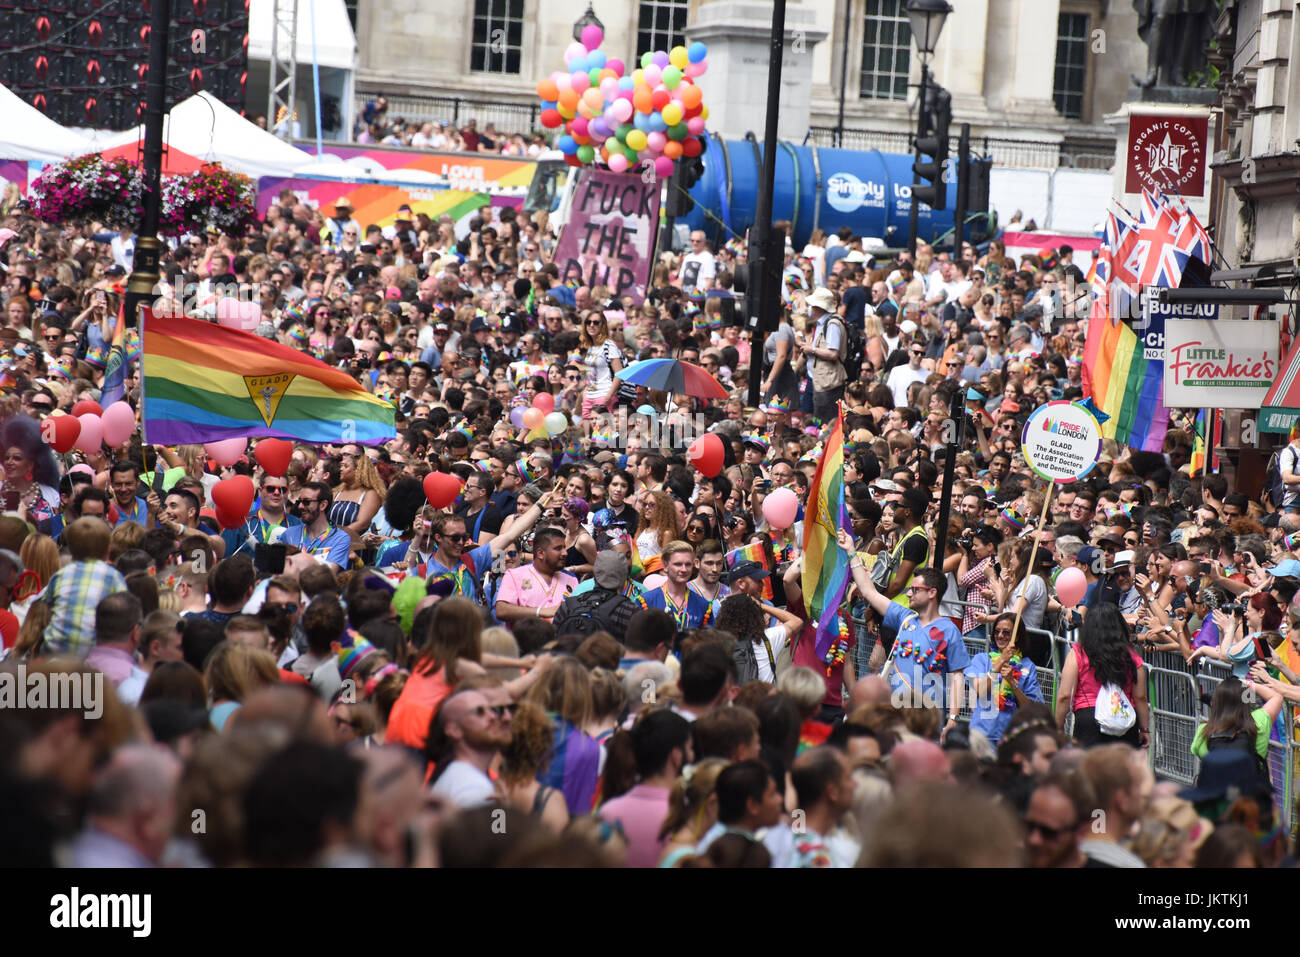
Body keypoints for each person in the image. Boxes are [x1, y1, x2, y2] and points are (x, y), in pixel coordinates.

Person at [845, 532, 969, 743]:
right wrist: (850, 552)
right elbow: (869, 592)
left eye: (914, 589)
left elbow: (957, 676)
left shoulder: (949, 631)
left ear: (932, 593)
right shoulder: (905, 619)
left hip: (928, 719)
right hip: (896, 715)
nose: (909, 594)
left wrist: (954, 717)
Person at [599, 709, 693, 868]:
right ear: (676, 756)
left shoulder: (608, 811)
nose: (692, 755)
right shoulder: (683, 815)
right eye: (690, 748)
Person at [1054, 603, 1150, 748]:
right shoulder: (1133, 658)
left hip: (1088, 721)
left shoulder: (1078, 654)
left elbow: (1065, 696)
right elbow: (1141, 697)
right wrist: (1144, 729)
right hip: (1124, 721)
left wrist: (1058, 726)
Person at [965, 613, 1043, 746]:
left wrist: (1012, 683)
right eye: (997, 631)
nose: (1000, 636)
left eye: (1006, 632)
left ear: (1016, 636)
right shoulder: (982, 659)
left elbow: (1032, 709)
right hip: (981, 735)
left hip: (1010, 738)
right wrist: (1000, 661)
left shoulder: (1027, 665)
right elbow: (979, 690)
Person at [427, 688, 513, 809]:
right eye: (479, 712)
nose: (493, 716)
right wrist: (503, 816)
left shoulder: (460, 777)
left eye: (492, 710)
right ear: (454, 730)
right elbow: (493, 829)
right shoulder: (474, 790)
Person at [495, 526, 579, 626]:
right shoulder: (514, 575)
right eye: (558, 548)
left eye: (564, 548)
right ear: (540, 553)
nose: (565, 553)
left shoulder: (572, 580)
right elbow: (501, 610)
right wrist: (540, 611)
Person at [638, 541, 714, 630]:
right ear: (665, 566)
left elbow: (707, 641)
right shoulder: (646, 601)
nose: (684, 569)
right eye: (678, 564)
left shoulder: (703, 605)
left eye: (688, 564)